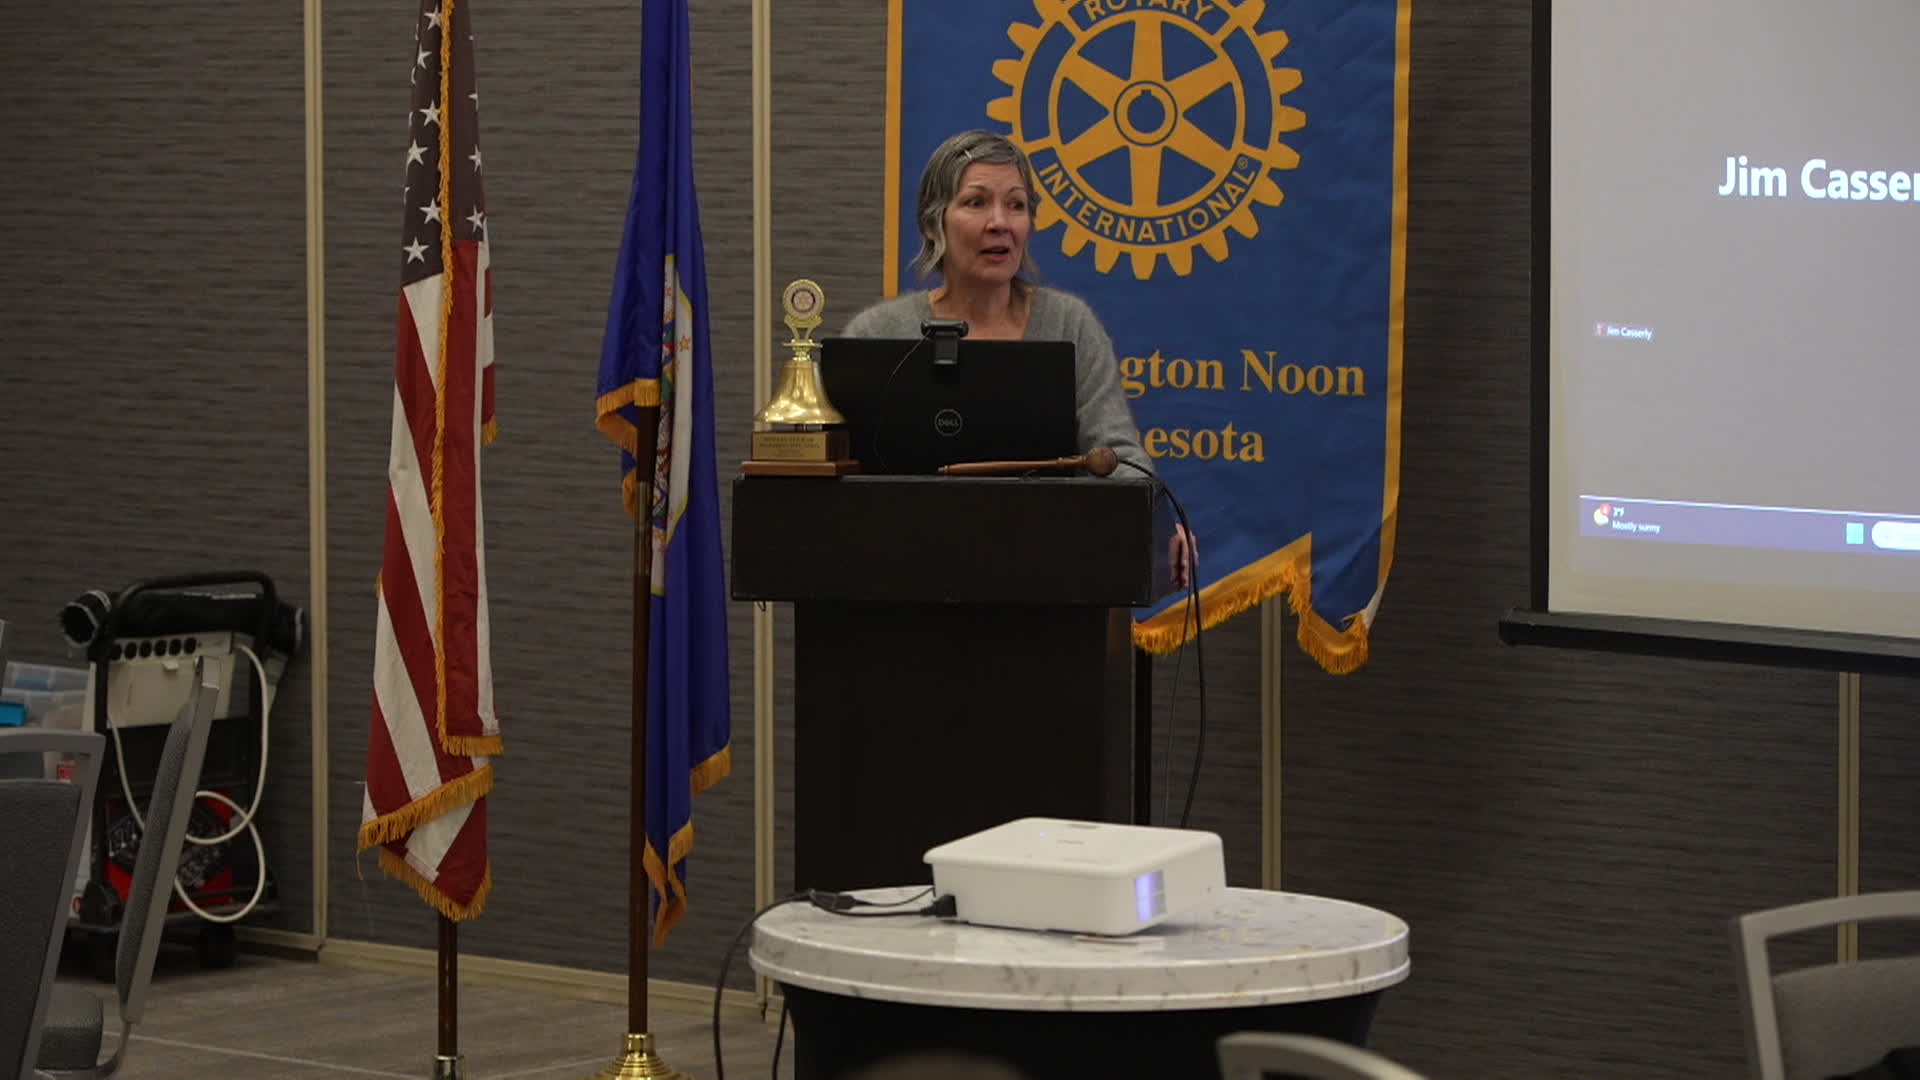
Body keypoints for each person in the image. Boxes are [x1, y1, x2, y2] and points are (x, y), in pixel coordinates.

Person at [844, 129, 1193, 584]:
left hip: (1049, 582)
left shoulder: (1070, 325)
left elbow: (1120, 458)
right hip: (900, 582)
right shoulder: (877, 334)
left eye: (1016, 205)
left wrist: (1151, 522)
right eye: (975, 203)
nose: (1000, 223)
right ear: (933, 224)